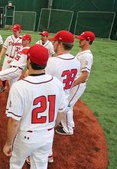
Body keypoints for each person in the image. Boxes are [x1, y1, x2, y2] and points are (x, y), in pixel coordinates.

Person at [3, 44, 67, 169]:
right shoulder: (57, 83)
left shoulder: (19, 86)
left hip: (27, 136)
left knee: (16, 164)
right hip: (47, 136)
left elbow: (14, 121)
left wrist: (8, 143)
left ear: (29, 61)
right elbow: (61, 112)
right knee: (40, 165)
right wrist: (51, 127)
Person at [41, 30, 80, 163]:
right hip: (64, 100)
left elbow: (42, 81)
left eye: (55, 41)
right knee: (51, 128)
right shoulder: (76, 61)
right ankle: (49, 154)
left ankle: (44, 154)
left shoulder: (52, 62)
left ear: (61, 44)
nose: (53, 43)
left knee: (43, 129)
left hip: (51, 101)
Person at [57, 31, 95, 135]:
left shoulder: (87, 55)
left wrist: (72, 84)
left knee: (67, 105)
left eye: (82, 39)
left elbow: (85, 75)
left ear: (88, 41)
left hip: (78, 85)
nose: (79, 40)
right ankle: (68, 123)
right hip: (74, 83)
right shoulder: (82, 52)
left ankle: (68, 129)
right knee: (68, 104)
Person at [0, 24, 22, 93]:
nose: (14, 32)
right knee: (2, 74)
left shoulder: (22, 40)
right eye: (13, 31)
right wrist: (0, 57)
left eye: (16, 31)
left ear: (19, 30)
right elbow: (4, 48)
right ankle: (3, 86)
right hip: (7, 57)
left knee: (13, 78)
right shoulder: (9, 38)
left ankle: (13, 90)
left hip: (16, 60)